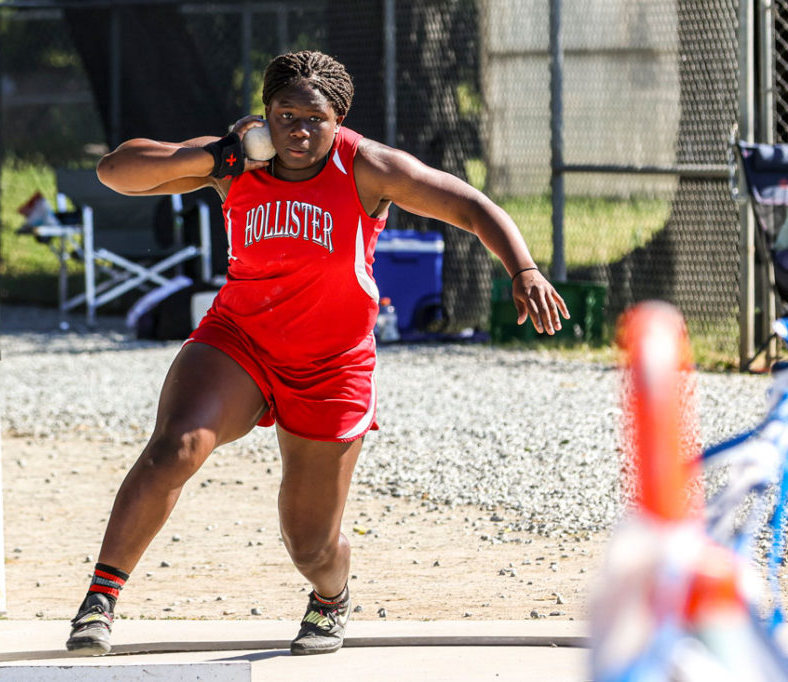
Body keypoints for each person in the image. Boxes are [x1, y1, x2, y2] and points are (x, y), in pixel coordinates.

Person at [66, 50, 569, 656]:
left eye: (314, 118)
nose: (298, 131)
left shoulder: (368, 169)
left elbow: (468, 205)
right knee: (177, 444)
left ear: (339, 119)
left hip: (332, 365)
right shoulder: (235, 161)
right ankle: (102, 597)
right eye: (284, 115)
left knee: (308, 542)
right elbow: (116, 171)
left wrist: (524, 268)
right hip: (241, 340)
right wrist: (217, 156)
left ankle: (331, 597)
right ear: (266, 115)